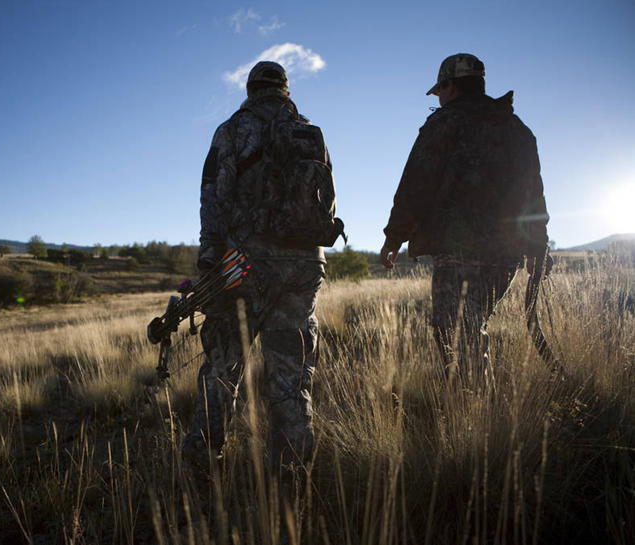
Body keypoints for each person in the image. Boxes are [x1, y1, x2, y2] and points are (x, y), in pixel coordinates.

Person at [181, 61, 343, 474]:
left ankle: (202, 469)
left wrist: (209, 257)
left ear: (251, 90)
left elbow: (213, 196)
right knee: (291, 375)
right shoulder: (312, 133)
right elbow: (328, 203)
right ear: (286, 91)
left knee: (223, 367)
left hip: (244, 265)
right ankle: (291, 475)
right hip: (305, 263)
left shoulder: (234, 130)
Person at [379, 53, 551, 387]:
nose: (439, 99)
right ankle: (478, 414)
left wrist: (394, 237)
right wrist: (537, 245)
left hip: (458, 251)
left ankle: (472, 421)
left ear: (450, 86)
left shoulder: (444, 123)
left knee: (456, 336)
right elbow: (534, 196)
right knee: (472, 330)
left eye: (440, 91)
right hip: (505, 256)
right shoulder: (517, 130)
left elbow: (417, 183)